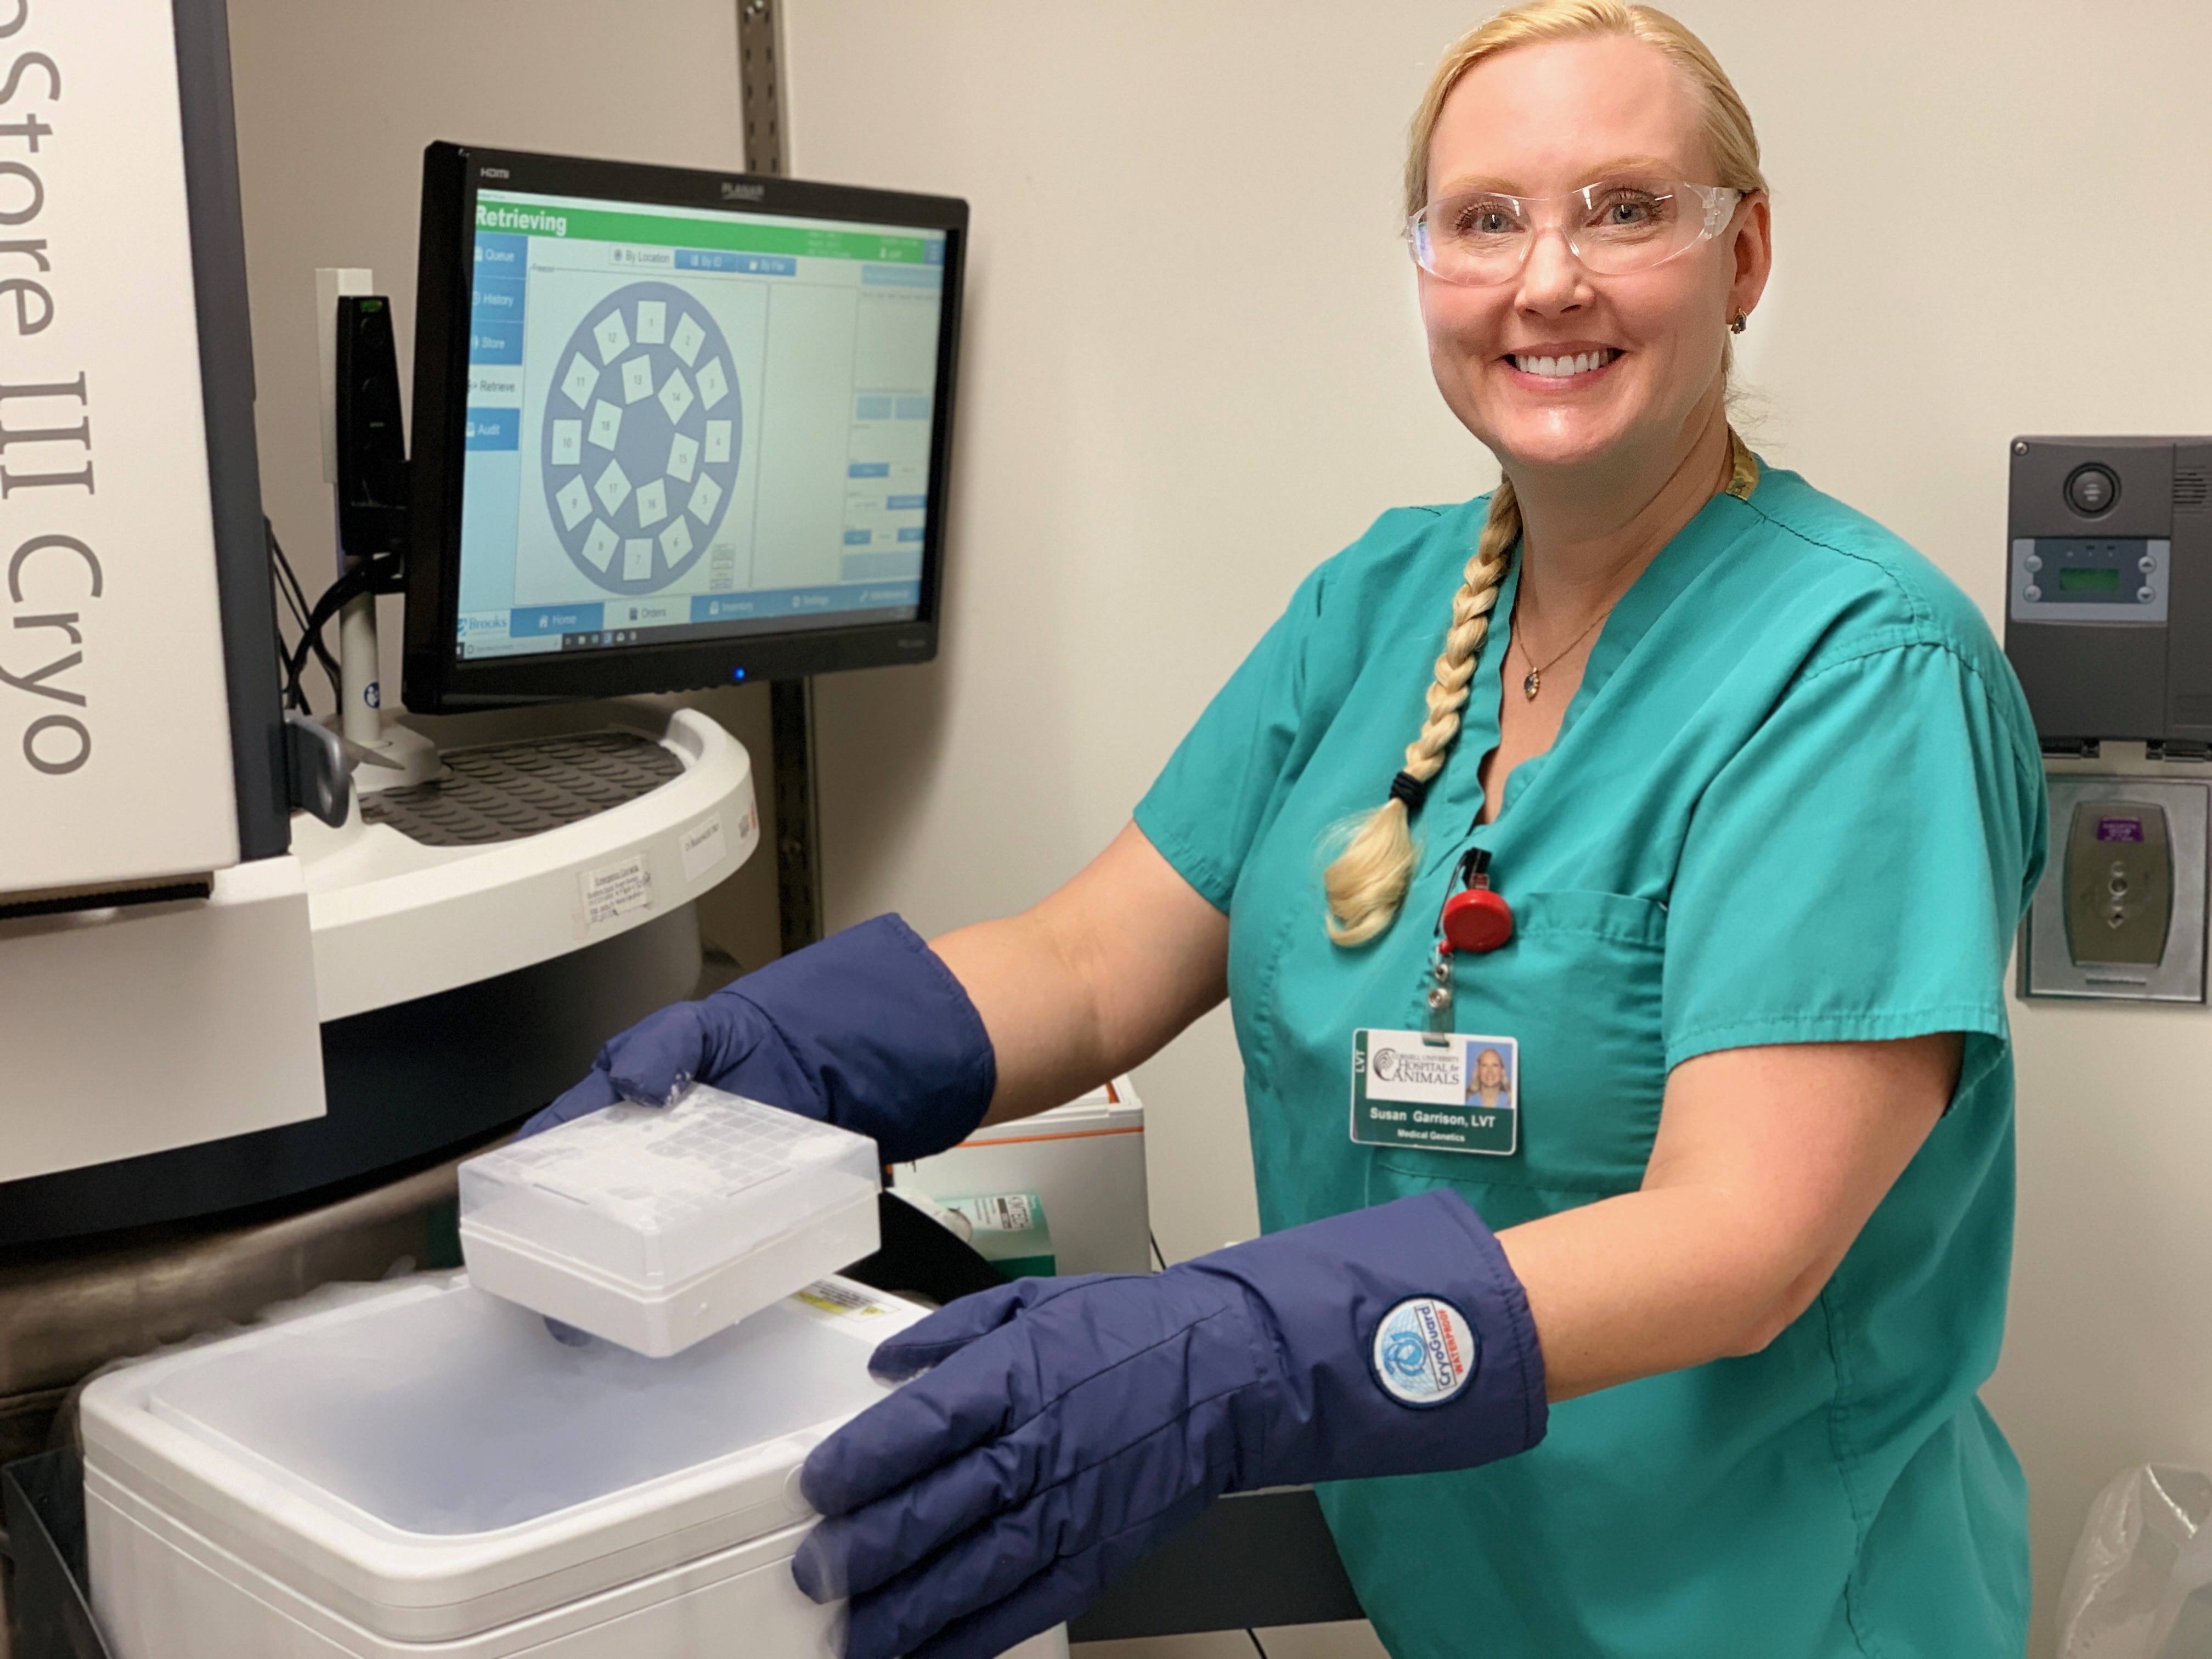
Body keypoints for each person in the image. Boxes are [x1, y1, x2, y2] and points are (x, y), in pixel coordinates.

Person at [526, 4, 2046, 1655]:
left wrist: (1243, 1346)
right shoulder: (1379, 602)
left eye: (1624, 207)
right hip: (1462, 1597)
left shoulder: (1866, 673)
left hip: (1771, 1615)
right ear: (1426, 269)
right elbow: (1099, 960)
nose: (1549, 280)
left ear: (1742, 255)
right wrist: (801, 1052)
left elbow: (1738, 1239)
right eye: (1485, 219)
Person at [1471, 1045, 1511, 1110]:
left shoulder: (1511, 1102)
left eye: (1495, 1065)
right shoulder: (1468, 1101)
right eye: (1484, 1065)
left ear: (1502, 1071)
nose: (1490, 1071)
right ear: (1478, 1070)